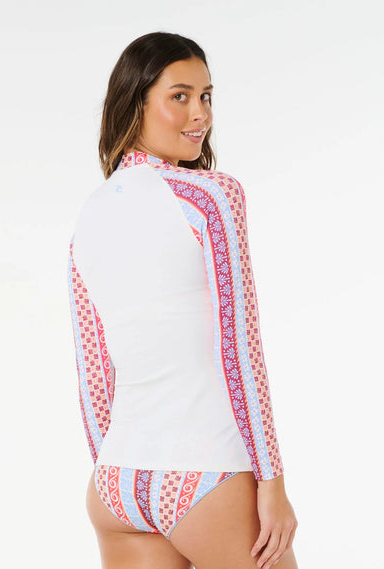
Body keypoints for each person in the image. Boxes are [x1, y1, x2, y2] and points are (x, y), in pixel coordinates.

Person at [67, 31, 299, 569]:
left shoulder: (89, 217)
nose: (201, 114)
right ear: (136, 103)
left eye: (206, 96)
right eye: (180, 96)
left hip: (116, 479)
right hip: (205, 471)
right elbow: (239, 346)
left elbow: (93, 371)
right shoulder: (211, 197)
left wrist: (115, 466)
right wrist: (272, 482)